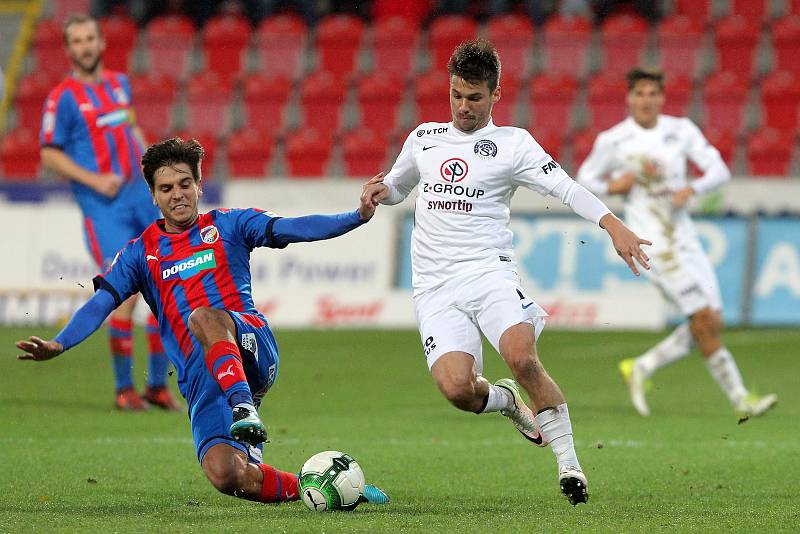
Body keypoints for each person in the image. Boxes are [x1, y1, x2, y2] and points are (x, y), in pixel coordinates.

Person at [17, 137, 389, 505]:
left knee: (203, 317)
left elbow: (294, 227)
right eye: (166, 188)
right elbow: (101, 303)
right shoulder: (140, 253)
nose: (177, 194)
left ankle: (243, 406)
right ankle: (325, 489)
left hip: (251, 345)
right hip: (201, 381)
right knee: (227, 475)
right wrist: (59, 343)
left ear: (199, 185)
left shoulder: (231, 224)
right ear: (153, 196)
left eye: (184, 184)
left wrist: (355, 216)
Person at [360, 39, 651, 505]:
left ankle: (569, 464)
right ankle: (509, 403)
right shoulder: (425, 137)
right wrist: (380, 191)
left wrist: (612, 224)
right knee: (457, 389)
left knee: (522, 356)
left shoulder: (512, 145)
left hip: (488, 272)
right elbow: (400, 184)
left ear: (496, 94)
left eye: (474, 97)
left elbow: (566, 188)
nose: (463, 107)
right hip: (435, 285)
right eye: (456, 95)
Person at [576, 67, 777, 418]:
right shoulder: (614, 139)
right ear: (630, 98)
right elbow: (583, 179)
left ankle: (641, 367)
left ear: (662, 97)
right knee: (701, 316)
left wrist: (692, 188)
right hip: (650, 242)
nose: (646, 100)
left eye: (653, 93)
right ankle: (741, 399)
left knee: (711, 320)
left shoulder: (680, 131)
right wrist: (613, 187)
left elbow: (719, 170)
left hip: (684, 237)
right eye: (640, 93)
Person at [39, 14, 178, 411]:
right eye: (76, 41)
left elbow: (131, 129)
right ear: (68, 50)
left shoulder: (119, 84)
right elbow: (49, 153)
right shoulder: (61, 98)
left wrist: (156, 166)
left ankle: (156, 385)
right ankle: (123, 390)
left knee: (167, 284)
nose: (84, 46)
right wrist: (95, 180)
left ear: (101, 43)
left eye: (89, 39)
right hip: (104, 210)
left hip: (139, 196)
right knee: (125, 294)